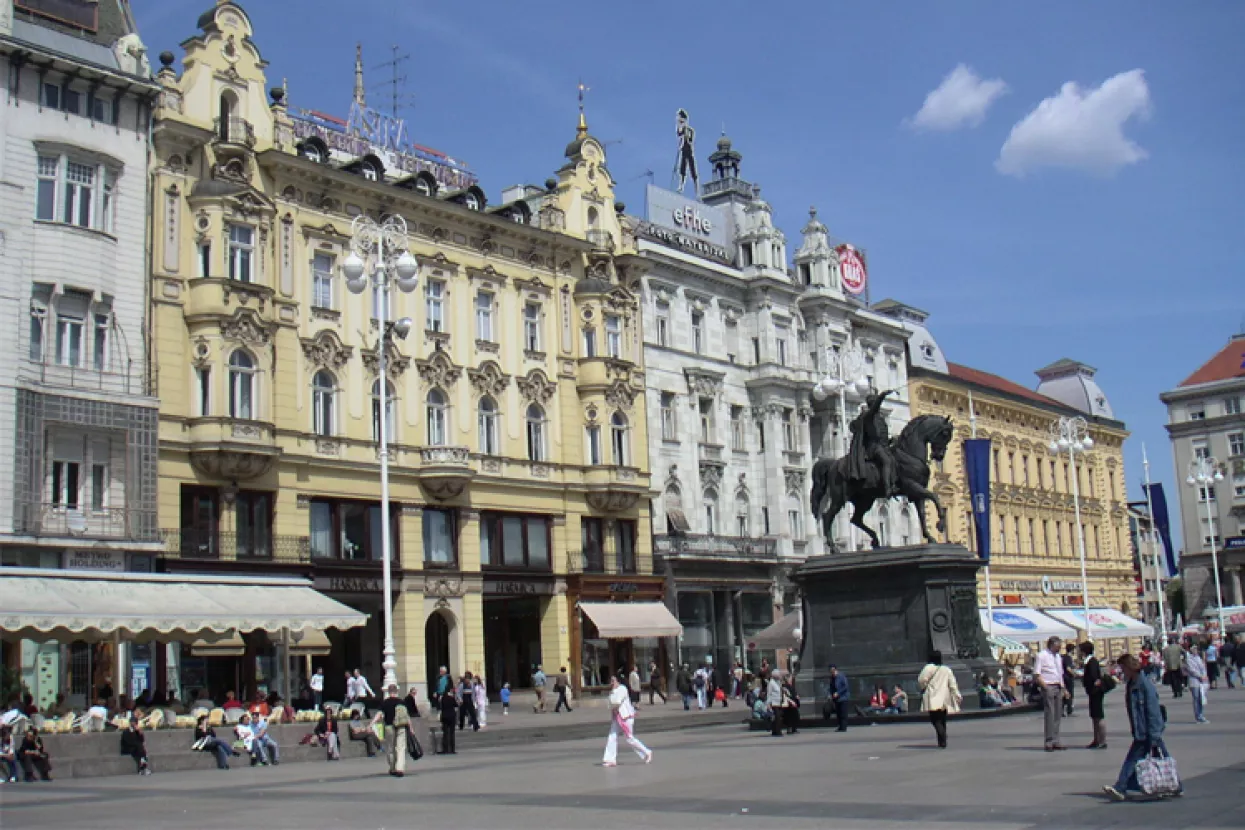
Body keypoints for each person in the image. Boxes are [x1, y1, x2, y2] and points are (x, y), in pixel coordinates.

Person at [1103, 653, 1178, 801]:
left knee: (1132, 759)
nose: (1121, 671)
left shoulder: (1144, 685)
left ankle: (1121, 787)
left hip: (1147, 731)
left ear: (1129, 667)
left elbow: (1153, 710)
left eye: (1122, 668)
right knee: (1163, 758)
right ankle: (1176, 785)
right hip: (1142, 730)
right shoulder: (1132, 683)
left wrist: (1154, 732)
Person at [847, 388, 898, 497]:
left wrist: (891, 441)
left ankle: (894, 483)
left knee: (895, 459)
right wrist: (883, 395)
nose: (878, 406)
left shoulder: (880, 418)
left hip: (881, 446)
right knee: (887, 461)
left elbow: (881, 437)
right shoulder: (869, 416)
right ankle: (887, 488)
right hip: (872, 448)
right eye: (876, 403)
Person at [603, 674, 652, 767]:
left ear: (618, 681)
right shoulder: (612, 691)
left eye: (613, 681)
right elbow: (609, 705)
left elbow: (617, 702)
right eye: (611, 681)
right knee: (612, 736)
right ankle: (610, 759)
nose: (611, 683)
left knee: (629, 739)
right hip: (617, 717)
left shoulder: (622, 689)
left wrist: (612, 704)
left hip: (626, 717)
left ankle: (647, 752)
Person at [919, 651, 962, 749]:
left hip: (933, 696)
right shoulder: (946, 669)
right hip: (944, 697)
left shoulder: (928, 668)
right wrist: (957, 695)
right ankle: (942, 740)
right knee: (942, 719)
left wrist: (924, 687)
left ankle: (942, 735)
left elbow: (921, 680)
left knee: (935, 719)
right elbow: (952, 684)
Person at [1034, 636, 1067, 751]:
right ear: (1052, 645)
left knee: (1058, 713)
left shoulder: (1058, 657)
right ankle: (1048, 741)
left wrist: (1063, 688)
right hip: (1048, 685)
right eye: (1058, 646)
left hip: (1058, 685)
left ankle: (1056, 740)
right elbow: (1037, 674)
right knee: (1050, 713)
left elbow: (1060, 673)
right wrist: (1045, 687)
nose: (1059, 649)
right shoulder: (1041, 655)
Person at [1081, 641, 1109, 749]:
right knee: (1095, 716)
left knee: (1098, 716)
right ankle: (1096, 739)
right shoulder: (1090, 661)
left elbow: (1093, 676)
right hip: (1093, 692)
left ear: (1084, 651)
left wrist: (1088, 681)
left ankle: (1102, 740)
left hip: (1095, 692)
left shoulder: (1091, 661)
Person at [379, 684, 409, 778]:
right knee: (401, 748)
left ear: (388, 691)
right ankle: (400, 768)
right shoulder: (402, 702)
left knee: (390, 748)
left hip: (389, 727)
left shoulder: (385, 702)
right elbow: (406, 716)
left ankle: (392, 768)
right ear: (397, 691)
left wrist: (371, 724)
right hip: (401, 727)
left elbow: (379, 714)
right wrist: (411, 728)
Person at [1182, 643, 1209, 724]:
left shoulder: (1199, 658)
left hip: (1202, 681)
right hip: (1194, 681)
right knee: (1196, 698)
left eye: (1196, 649)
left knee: (1201, 698)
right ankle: (1198, 716)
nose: (1196, 650)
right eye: (1194, 649)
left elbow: (1203, 667)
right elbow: (1191, 670)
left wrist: (1204, 675)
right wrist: (1200, 676)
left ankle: (1201, 714)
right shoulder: (1189, 659)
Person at [826, 665, 850, 732]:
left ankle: (843, 727)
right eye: (831, 671)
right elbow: (831, 687)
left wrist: (838, 693)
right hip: (836, 698)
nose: (832, 672)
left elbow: (845, 687)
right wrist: (829, 694)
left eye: (833, 671)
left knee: (843, 713)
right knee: (838, 713)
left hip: (843, 697)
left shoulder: (841, 676)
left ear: (836, 670)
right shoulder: (832, 678)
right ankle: (840, 726)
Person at [438, 684, 458, 755]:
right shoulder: (452, 698)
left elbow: (441, 706)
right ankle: (452, 749)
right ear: (450, 690)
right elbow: (456, 705)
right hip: (451, 716)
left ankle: (445, 749)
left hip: (444, 716)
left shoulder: (442, 698)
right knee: (452, 733)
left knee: (445, 733)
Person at [766, 670, 785, 736]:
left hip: (778, 702)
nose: (780, 675)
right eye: (779, 674)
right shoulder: (771, 683)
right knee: (777, 717)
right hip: (773, 703)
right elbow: (769, 694)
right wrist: (768, 703)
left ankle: (774, 731)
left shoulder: (778, 682)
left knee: (778, 717)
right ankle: (778, 731)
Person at [1062, 642, 1079, 716]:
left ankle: (1064, 711)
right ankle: (1069, 710)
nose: (1074, 651)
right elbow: (1068, 668)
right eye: (1074, 650)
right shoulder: (1068, 657)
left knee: (1066, 694)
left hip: (1065, 677)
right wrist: (1074, 674)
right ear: (1071, 650)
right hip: (1068, 678)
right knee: (1069, 694)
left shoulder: (1065, 657)